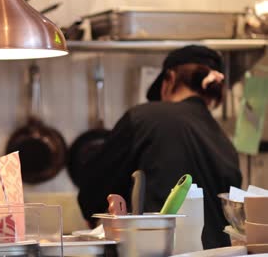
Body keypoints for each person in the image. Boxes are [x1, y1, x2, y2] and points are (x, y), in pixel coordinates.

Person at [78, 45, 242, 249]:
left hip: (158, 251)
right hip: (222, 254)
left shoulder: (144, 118)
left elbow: (94, 188)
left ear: (170, 79)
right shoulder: (224, 141)